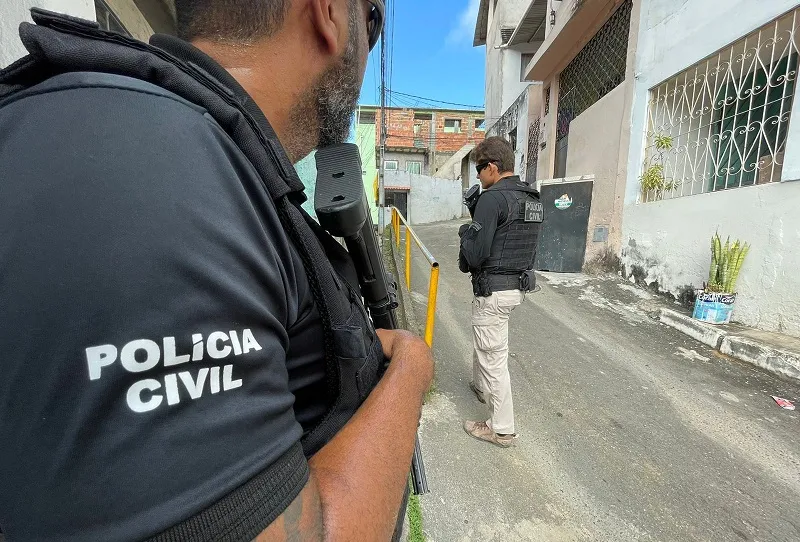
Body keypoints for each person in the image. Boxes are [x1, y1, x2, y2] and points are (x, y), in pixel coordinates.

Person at [0, 1, 434, 540]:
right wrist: (411, 370)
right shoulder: (161, 176)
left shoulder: (206, 160)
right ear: (327, 14)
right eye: (373, 21)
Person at [458, 137, 543, 448]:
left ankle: (501, 428)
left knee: (493, 358)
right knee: (488, 347)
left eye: (480, 169)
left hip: (493, 291)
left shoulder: (492, 199)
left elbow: (475, 257)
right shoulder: (531, 197)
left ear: (492, 167)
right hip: (515, 287)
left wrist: (467, 234)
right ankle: (481, 387)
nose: (478, 177)